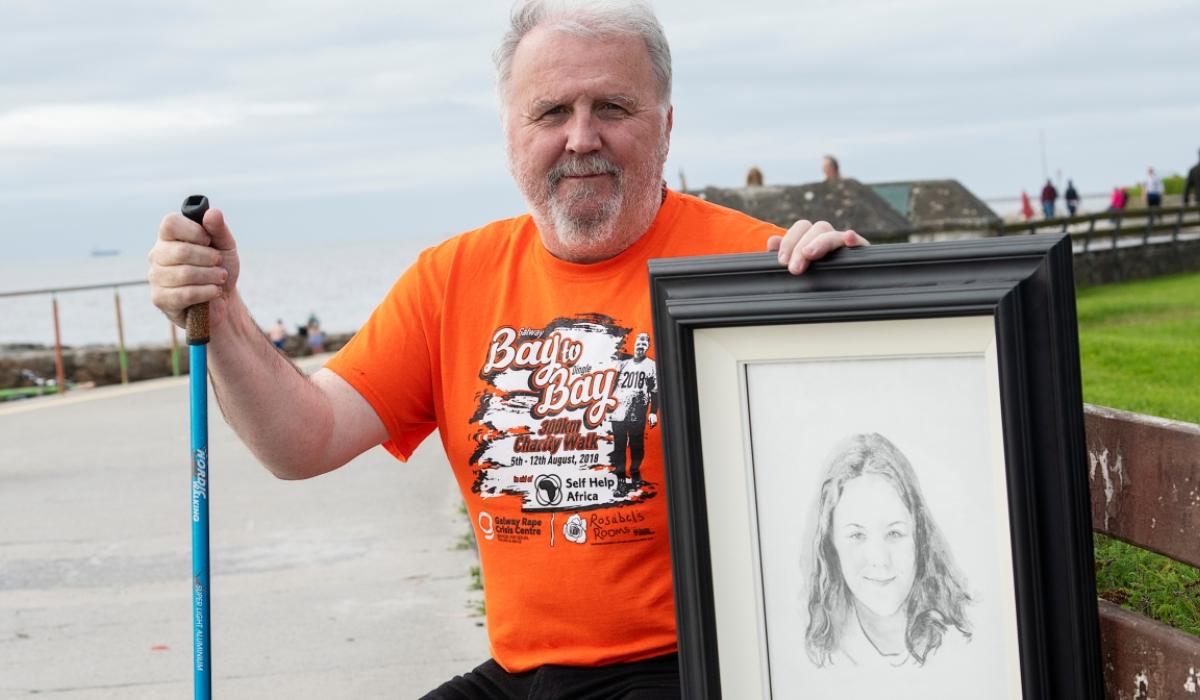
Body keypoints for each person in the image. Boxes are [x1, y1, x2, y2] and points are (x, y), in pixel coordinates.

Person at [147, 1, 867, 696]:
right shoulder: (451, 278)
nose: (581, 137)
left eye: (612, 107)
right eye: (551, 111)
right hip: (523, 672)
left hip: (697, 666)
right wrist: (222, 312)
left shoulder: (752, 267)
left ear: (667, 126)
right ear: (510, 133)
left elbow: (875, 443)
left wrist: (865, 300)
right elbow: (304, 440)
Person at [805, 433, 971, 670]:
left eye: (894, 533)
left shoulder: (961, 643)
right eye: (856, 535)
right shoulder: (825, 656)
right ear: (830, 545)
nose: (880, 559)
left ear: (919, 536)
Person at [609, 332, 657, 496]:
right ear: (634, 344)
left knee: (637, 445)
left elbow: (655, 391)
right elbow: (611, 385)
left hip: (638, 410)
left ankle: (635, 472)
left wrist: (653, 412)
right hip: (618, 410)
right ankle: (621, 482)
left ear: (648, 347)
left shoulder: (651, 366)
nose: (641, 345)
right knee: (619, 446)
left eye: (645, 343)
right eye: (639, 342)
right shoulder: (622, 364)